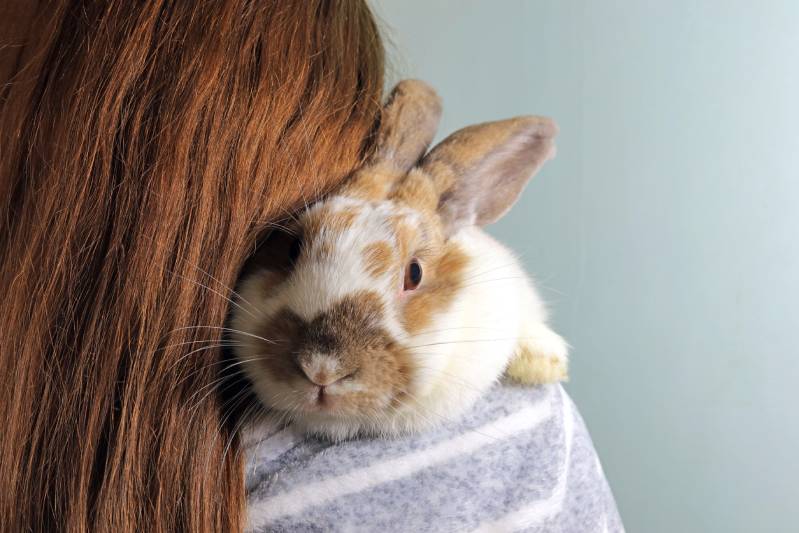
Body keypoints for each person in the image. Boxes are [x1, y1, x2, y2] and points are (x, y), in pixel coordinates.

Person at [0, 2, 622, 531]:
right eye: (289, 248)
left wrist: (521, 333)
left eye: (409, 277)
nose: (322, 364)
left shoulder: (495, 421)